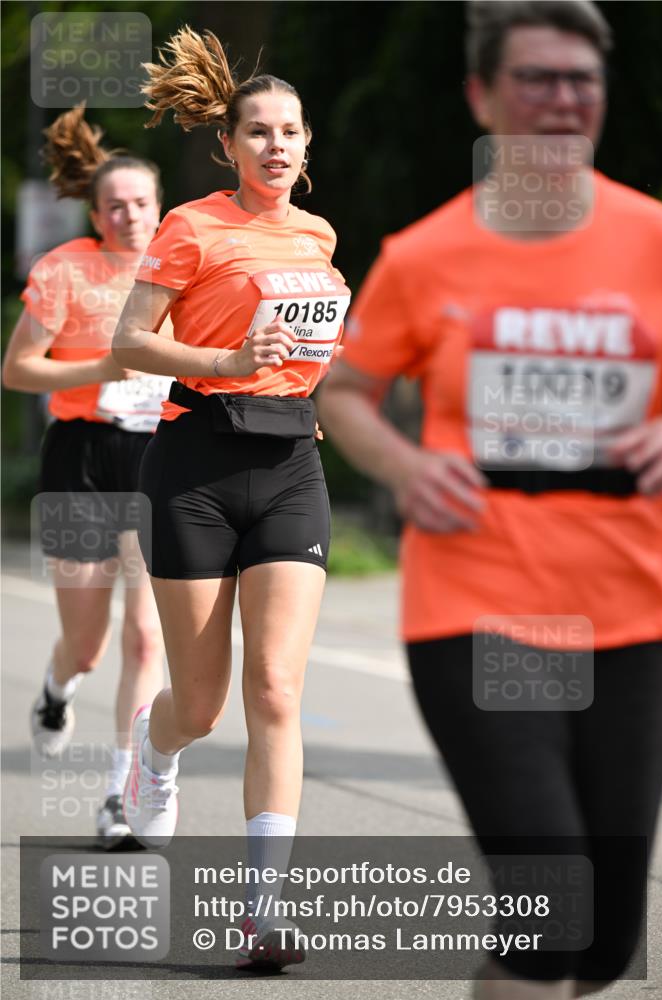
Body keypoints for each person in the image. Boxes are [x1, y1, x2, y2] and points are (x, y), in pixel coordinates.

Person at [318, 3, 662, 998]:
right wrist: (402, 467)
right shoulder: (426, 254)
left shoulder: (655, 241)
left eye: (580, 80)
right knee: (549, 914)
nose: (563, 100)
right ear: (481, 96)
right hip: (480, 608)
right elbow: (342, 391)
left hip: (634, 610)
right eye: (537, 79)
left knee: (602, 945)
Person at [111, 27, 350, 971]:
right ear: (227, 145)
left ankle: (261, 912)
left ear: (305, 144)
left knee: (276, 689)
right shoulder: (190, 226)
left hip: (292, 462)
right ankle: (154, 747)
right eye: (258, 132)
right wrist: (221, 362)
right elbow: (133, 341)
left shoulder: (318, 234)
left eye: (290, 131)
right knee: (202, 705)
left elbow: (305, 341)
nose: (277, 147)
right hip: (195, 469)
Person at [2, 104, 170, 849]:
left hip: (156, 456)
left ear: (158, 208)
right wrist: (104, 366)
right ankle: (55, 688)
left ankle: (120, 794)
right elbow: (17, 370)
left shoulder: (182, 267)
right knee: (90, 642)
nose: (131, 217)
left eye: (142, 204)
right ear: (96, 214)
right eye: (116, 207)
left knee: (143, 637)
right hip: (80, 457)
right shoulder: (66, 268)